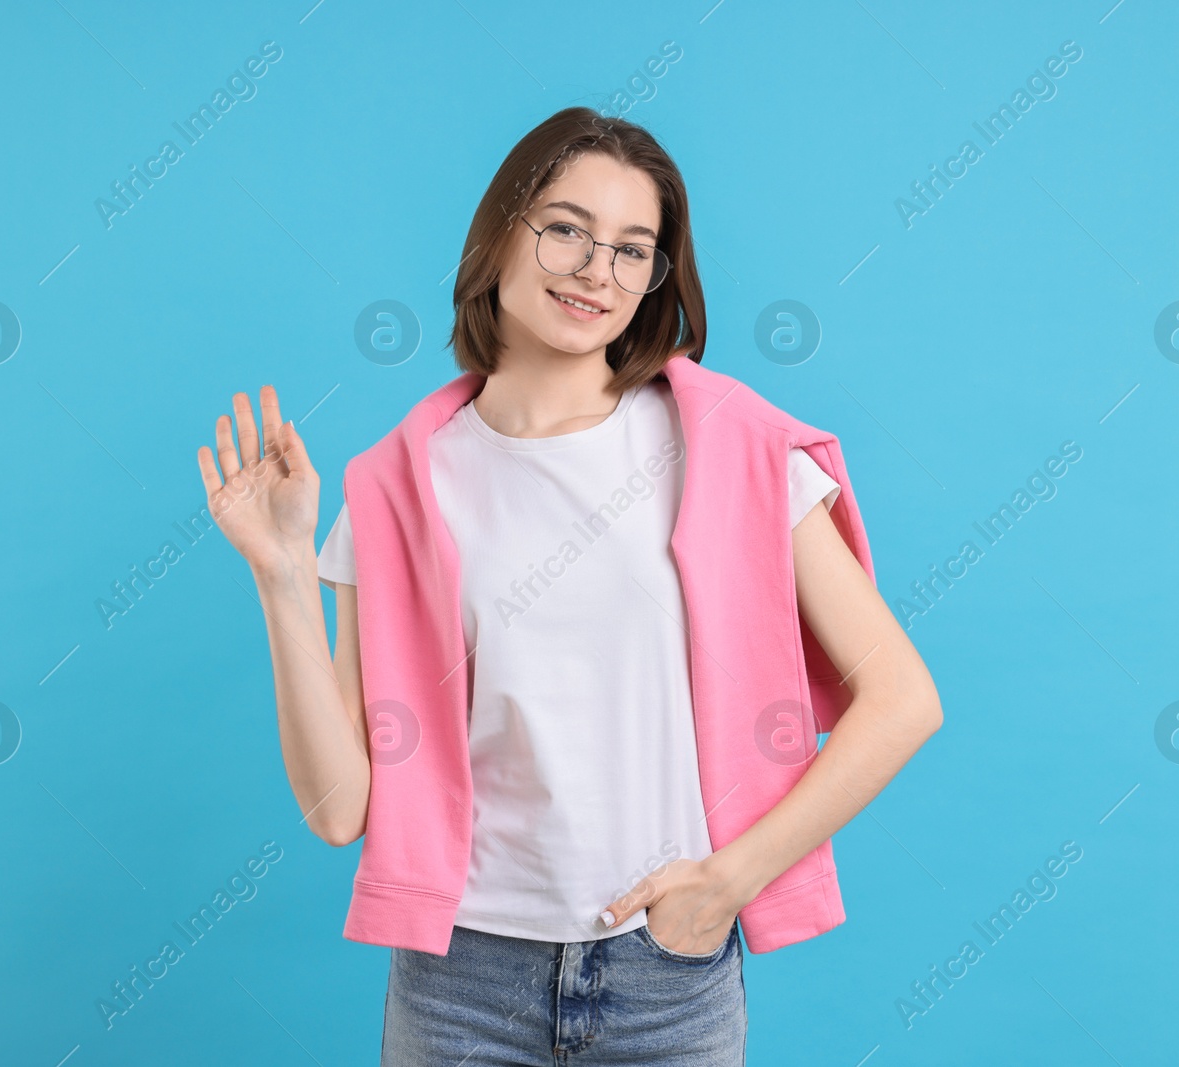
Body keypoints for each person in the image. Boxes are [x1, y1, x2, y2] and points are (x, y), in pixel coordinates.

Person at [197, 107, 943, 1065]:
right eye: (566, 228)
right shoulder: (397, 483)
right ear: (500, 232)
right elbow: (340, 807)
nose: (599, 269)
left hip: (667, 981)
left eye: (636, 250)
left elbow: (903, 699)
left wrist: (725, 884)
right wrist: (283, 572)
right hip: (459, 987)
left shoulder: (726, 446)